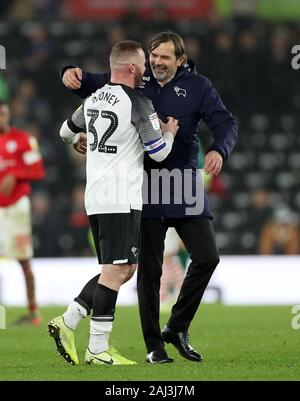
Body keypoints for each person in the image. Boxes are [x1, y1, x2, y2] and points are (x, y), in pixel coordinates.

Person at [61, 31, 238, 363]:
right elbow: (96, 83)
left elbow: (226, 123)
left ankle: (177, 327)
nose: (156, 62)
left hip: (183, 182)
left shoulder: (199, 87)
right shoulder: (137, 81)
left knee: (207, 256)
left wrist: (219, 150)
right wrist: (70, 72)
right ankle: (154, 347)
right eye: (153, 56)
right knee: (148, 270)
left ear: (180, 61)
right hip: (145, 184)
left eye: (164, 57)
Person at [48, 40, 178, 366]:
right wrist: (169, 132)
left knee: (123, 269)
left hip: (96, 196)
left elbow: (65, 131)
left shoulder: (92, 98)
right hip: (121, 196)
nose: (146, 70)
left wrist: (80, 140)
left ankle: (70, 319)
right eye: (144, 66)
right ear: (132, 68)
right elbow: (159, 154)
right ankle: (96, 348)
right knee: (116, 270)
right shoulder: (139, 103)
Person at [0, 100, 45, 325]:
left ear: (8, 115)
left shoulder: (23, 140)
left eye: (2, 114)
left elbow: (37, 170)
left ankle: (33, 312)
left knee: (24, 260)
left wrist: (15, 174)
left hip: (16, 206)